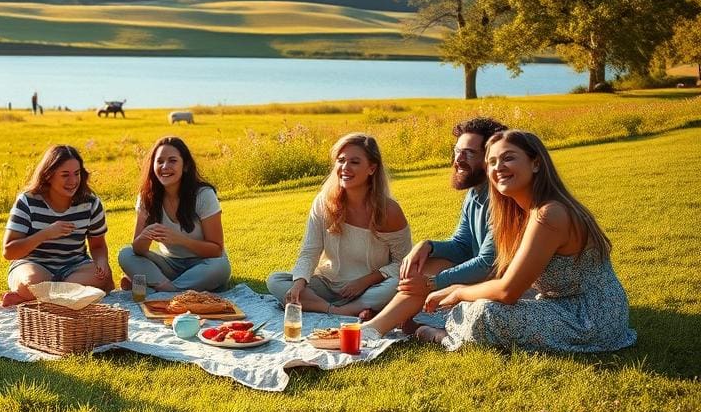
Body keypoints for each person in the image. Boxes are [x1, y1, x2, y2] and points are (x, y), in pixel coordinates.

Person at [417, 130, 637, 352]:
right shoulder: (522, 212)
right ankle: (455, 325)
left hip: (592, 318)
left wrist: (458, 290)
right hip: (562, 301)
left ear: (536, 164)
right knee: (479, 302)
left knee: (485, 312)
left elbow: (508, 291)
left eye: (509, 158)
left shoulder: (549, 214)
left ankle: (444, 338)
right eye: (492, 161)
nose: (498, 167)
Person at [362, 117, 506, 334]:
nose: (458, 159)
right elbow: (462, 245)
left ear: (490, 158)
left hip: (503, 282)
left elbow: (488, 263)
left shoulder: (502, 199)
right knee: (427, 262)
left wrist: (433, 283)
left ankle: (376, 326)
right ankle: (394, 318)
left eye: (469, 153)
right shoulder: (475, 192)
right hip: (482, 274)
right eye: (457, 151)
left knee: (429, 273)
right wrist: (428, 246)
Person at [267, 133, 411, 316]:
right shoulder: (323, 202)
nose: (345, 167)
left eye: (355, 162)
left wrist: (365, 281)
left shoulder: (389, 210)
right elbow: (310, 251)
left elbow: (403, 262)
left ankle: (338, 305)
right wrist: (298, 284)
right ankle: (336, 310)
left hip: (370, 287)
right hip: (328, 284)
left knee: (397, 284)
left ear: (372, 168)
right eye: (341, 160)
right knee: (276, 281)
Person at [1, 145, 113, 305]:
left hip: (75, 268)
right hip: (34, 265)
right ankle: (69, 296)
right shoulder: (27, 201)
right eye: (65, 175)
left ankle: (31, 298)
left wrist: (101, 262)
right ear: (48, 175)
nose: (73, 181)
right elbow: (9, 251)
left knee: (104, 277)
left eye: (77, 173)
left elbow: (98, 246)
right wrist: (45, 234)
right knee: (32, 282)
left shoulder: (91, 203)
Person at [117, 137, 231, 292]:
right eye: (160, 161)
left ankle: (159, 287)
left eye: (172, 161)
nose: (165, 166)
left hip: (204, 263)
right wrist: (144, 236)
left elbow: (216, 250)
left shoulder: (204, 195)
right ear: (153, 165)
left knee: (220, 267)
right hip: (169, 265)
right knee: (126, 254)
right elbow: (138, 250)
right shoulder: (147, 197)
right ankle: (172, 287)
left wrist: (181, 240)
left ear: (185, 166)